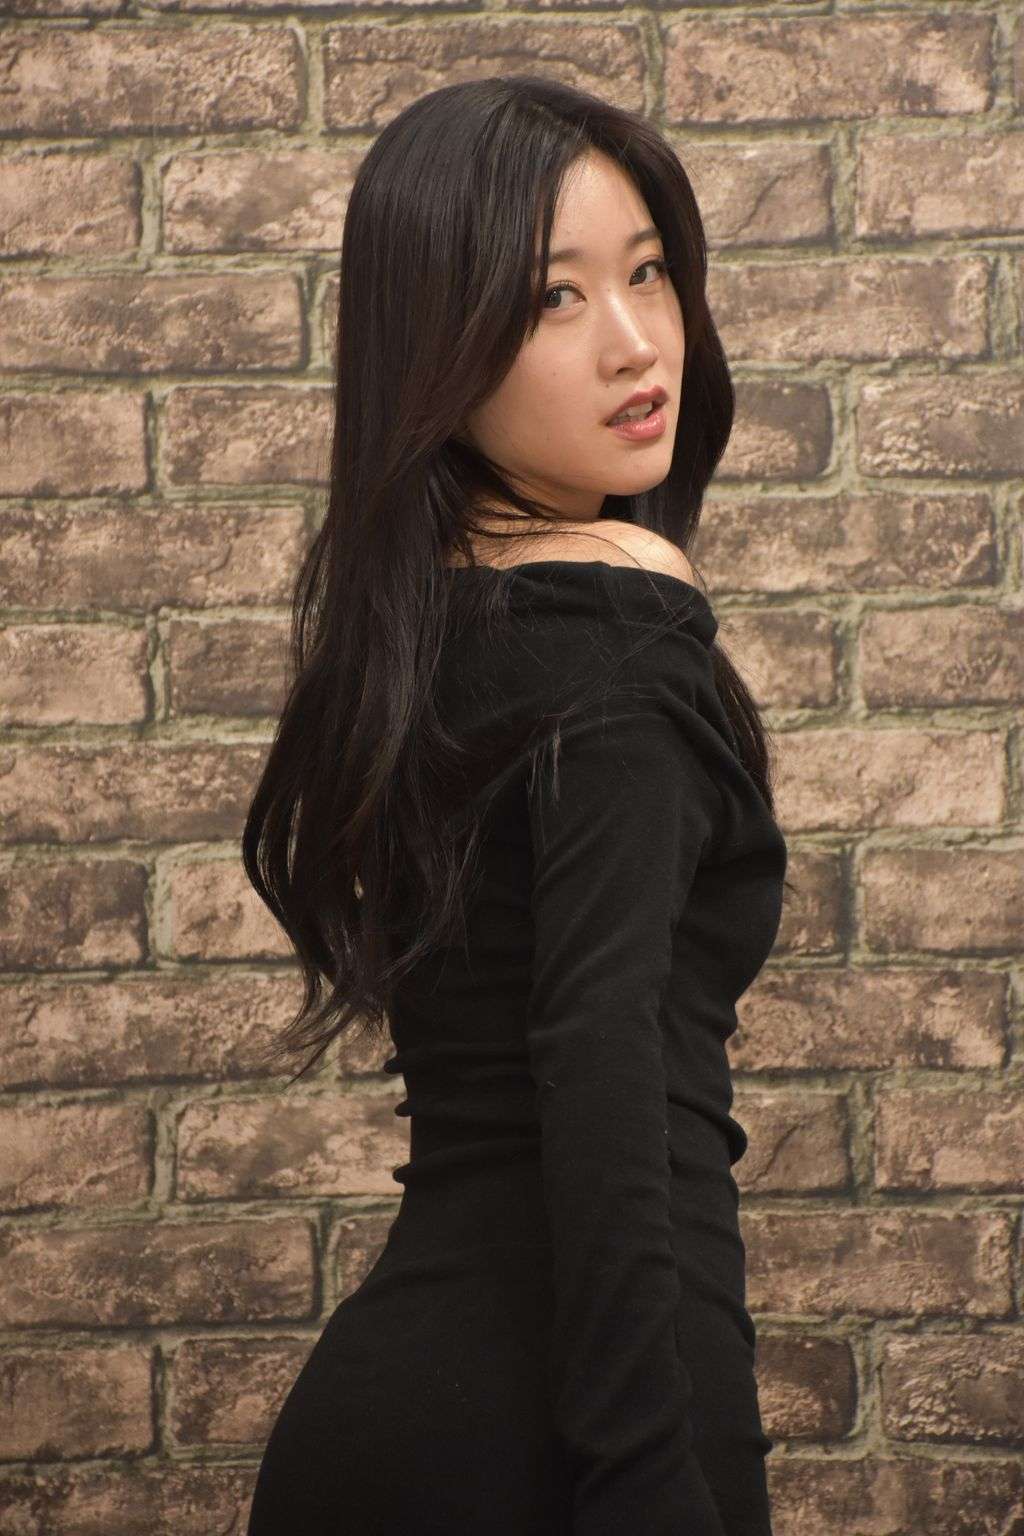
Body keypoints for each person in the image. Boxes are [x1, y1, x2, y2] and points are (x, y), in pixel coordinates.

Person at [243, 74, 789, 1536]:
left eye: (648, 272)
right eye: (555, 297)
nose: (636, 341)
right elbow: (600, 1073)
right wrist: (644, 1482)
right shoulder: (612, 647)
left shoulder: (430, 632)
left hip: (415, 1417)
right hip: (564, 1437)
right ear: (442, 344)